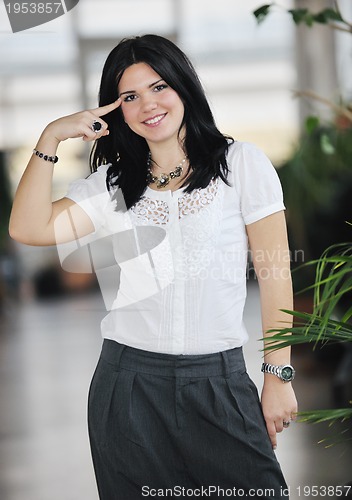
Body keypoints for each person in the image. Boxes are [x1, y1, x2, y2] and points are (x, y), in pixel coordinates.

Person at [9, 34, 297, 499]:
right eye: (130, 96)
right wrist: (50, 138)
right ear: (115, 109)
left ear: (184, 87)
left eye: (159, 86)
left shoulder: (241, 164)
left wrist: (277, 376)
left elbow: (275, 274)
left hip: (218, 384)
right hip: (128, 389)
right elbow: (28, 226)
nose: (148, 104)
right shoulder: (113, 185)